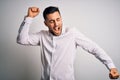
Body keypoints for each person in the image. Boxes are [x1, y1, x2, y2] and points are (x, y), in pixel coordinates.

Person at [17, 6, 120, 80]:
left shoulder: (72, 33)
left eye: (58, 19)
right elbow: (21, 40)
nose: (56, 24)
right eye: (52, 21)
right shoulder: (41, 35)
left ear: (61, 19)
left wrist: (111, 66)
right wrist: (29, 18)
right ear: (46, 23)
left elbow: (94, 48)